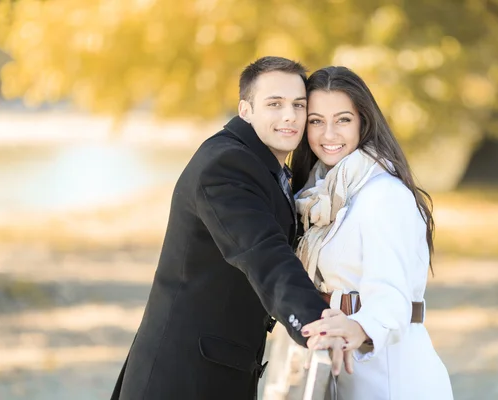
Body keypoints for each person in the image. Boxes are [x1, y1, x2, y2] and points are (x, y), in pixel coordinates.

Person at [110, 57, 351, 400]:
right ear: (245, 110)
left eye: (299, 105)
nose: (290, 116)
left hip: (221, 368)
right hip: (183, 378)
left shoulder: (265, 165)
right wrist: (317, 323)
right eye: (274, 104)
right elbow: (264, 254)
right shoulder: (226, 165)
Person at [291, 66, 454, 399]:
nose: (329, 134)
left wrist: (358, 326)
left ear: (363, 122)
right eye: (317, 121)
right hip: (348, 372)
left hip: (392, 377)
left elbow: (392, 294)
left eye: (343, 120)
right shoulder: (319, 195)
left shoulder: (384, 194)